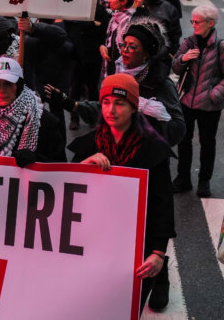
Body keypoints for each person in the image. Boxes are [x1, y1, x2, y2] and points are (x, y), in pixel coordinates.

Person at [68, 73, 176, 313]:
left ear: (133, 107)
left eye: (119, 103)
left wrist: (158, 253)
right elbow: (68, 194)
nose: (111, 110)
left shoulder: (152, 150)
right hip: (95, 246)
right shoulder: (89, 145)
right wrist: (83, 165)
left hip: (136, 249)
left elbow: (162, 205)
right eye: (106, 102)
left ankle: (161, 277)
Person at [171, 4, 224, 197]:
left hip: (210, 105)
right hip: (186, 101)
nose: (193, 25)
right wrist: (183, 59)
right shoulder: (189, 42)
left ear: (210, 23)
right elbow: (175, 66)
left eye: (197, 22)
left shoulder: (222, 46)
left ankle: (204, 182)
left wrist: (214, 95)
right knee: (184, 141)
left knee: (208, 143)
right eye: (192, 21)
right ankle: (183, 178)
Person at [0, 56, 64, 163]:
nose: (2, 90)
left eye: (8, 83)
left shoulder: (44, 120)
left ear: (18, 85)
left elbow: (60, 164)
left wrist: (36, 160)